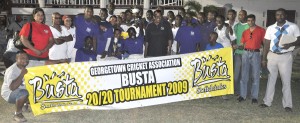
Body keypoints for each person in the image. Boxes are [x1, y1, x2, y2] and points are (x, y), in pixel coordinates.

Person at [1, 51, 67, 122]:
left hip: (24, 89)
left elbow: (46, 63)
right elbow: (12, 88)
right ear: (16, 59)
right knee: (23, 93)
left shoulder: (30, 63)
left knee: (42, 85)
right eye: (22, 58)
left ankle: (24, 104)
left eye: (26, 58)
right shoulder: (12, 70)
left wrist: (61, 61)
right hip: (9, 94)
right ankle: (17, 114)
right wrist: (21, 74)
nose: (25, 60)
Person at [260, 8, 300, 112]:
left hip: (285, 56)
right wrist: (264, 59)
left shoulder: (293, 26)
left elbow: (299, 40)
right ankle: (267, 102)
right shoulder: (270, 28)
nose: (280, 16)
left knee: (286, 80)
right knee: (271, 79)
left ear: (285, 15)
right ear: (275, 16)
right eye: (277, 15)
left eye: (282, 15)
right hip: (272, 55)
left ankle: (287, 104)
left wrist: (290, 44)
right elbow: (266, 44)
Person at [237, 14, 265, 103]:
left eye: (252, 20)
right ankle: (242, 95)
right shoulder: (245, 32)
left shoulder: (261, 30)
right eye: (248, 20)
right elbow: (242, 44)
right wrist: (237, 46)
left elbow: (265, 43)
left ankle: (254, 97)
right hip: (245, 53)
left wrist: (265, 56)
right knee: (244, 75)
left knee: (255, 76)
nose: (250, 22)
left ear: (255, 20)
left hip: (256, 54)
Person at [232, 10, 249, 96]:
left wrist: (240, 46)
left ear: (246, 15)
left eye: (242, 14)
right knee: (236, 74)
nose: (240, 16)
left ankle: (244, 92)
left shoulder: (248, 26)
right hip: (238, 53)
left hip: (246, 53)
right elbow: (234, 37)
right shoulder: (236, 26)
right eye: (239, 15)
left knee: (244, 74)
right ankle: (236, 90)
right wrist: (234, 45)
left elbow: (249, 40)